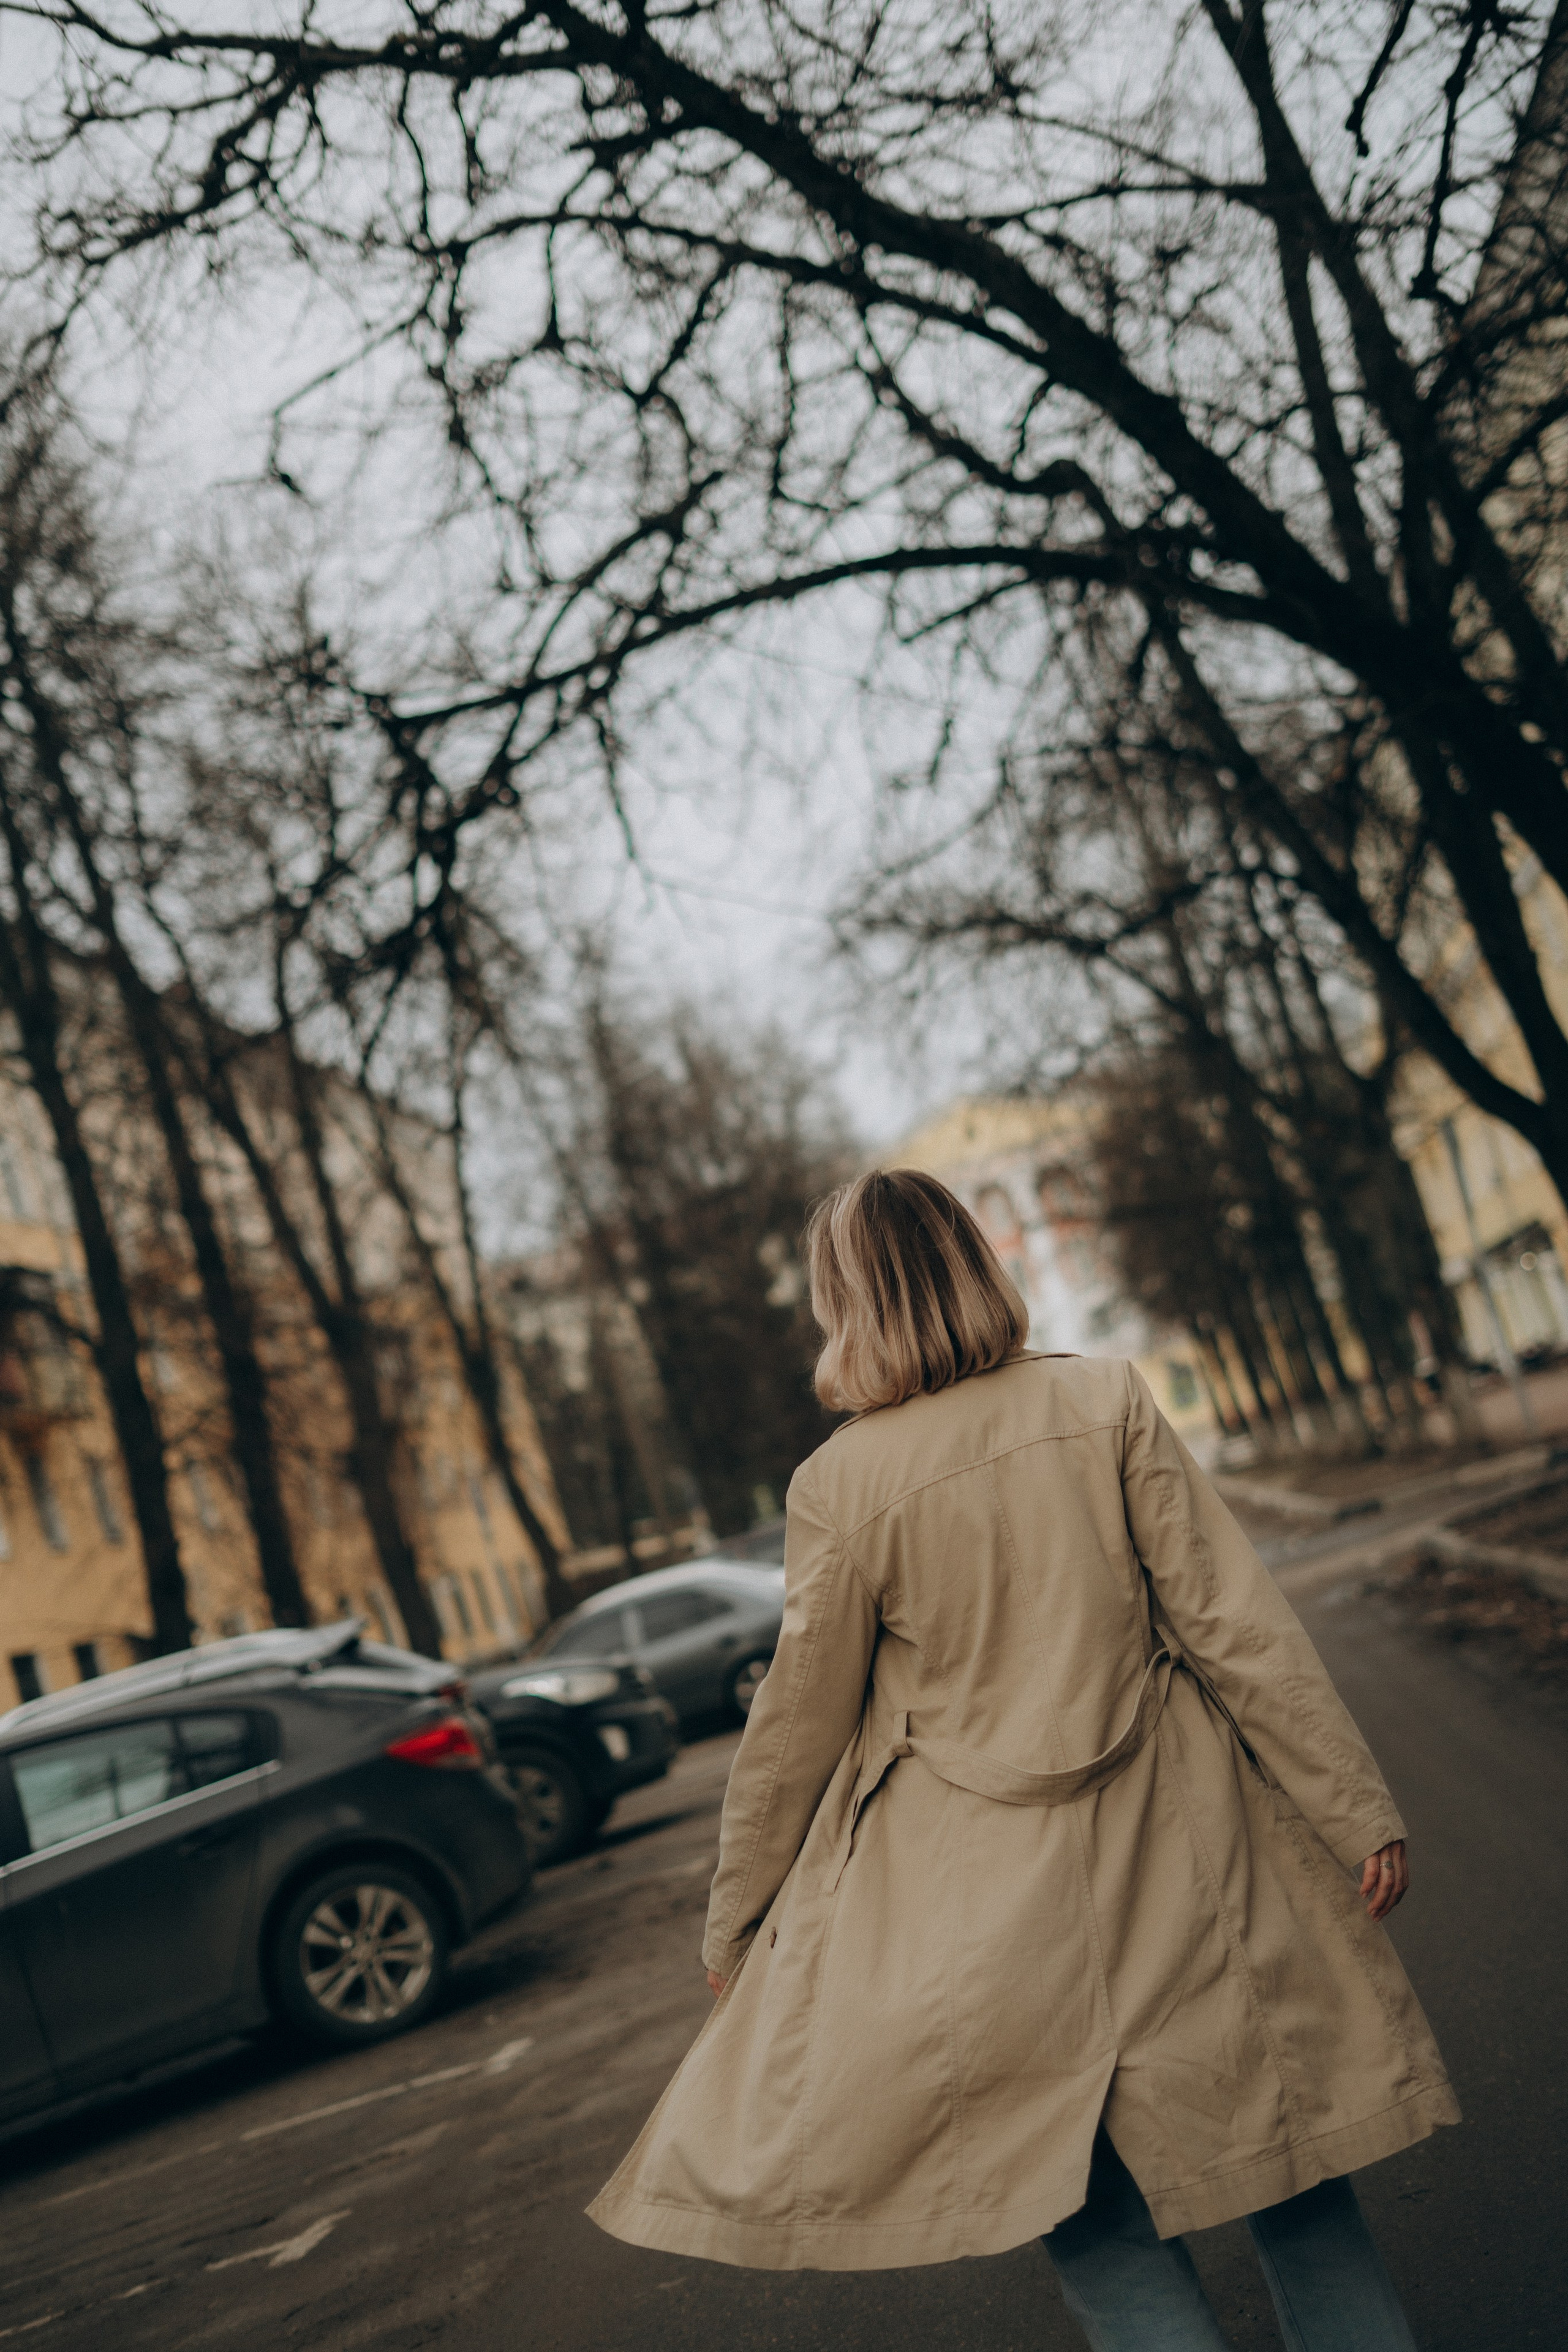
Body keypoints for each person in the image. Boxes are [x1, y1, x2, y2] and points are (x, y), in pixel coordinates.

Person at [590, 1170, 1458, 2348]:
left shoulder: (839, 1486)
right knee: (1289, 2165)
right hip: (1188, 1865)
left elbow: (794, 1731)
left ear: (845, 1303)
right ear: (970, 1259)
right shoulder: (1104, 1400)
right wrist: (1352, 1808)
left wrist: (735, 1921)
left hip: (985, 1926)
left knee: (1099, 2230)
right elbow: (1233, 1622)